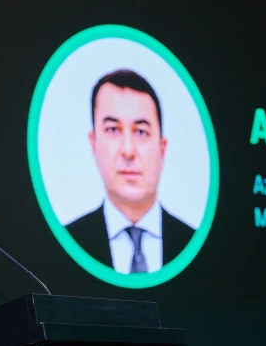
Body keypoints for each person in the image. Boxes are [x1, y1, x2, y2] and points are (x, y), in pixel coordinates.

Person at [66, 69, 195, 273]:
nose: (128, 151)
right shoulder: (70, 241)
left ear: (162, 148)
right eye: (113, 129)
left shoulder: (192, 242)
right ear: (93, 143)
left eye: (141, 132)